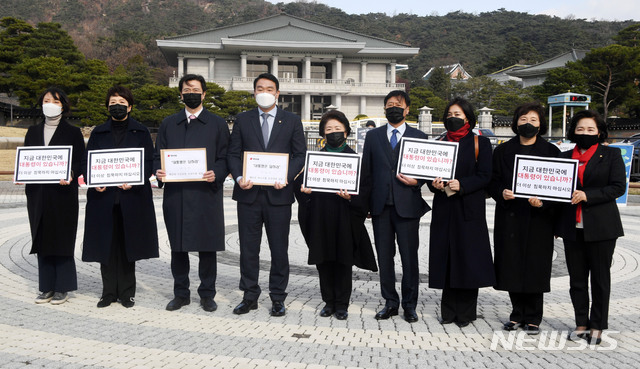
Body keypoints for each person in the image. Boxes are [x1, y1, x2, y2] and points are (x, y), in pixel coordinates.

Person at [227, 72, 306, 316]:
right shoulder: (243, 119)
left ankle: (278, 296)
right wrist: (239, 178)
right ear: (254, 93)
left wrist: (287, 176)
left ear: (277, 93)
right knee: (249, 248)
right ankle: (249, 295)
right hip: (248, 195)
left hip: (279, 196)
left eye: (269, 88)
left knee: (279, 249)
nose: (264, 92)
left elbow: (299, 155)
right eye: (260, 88)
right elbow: (233, 154)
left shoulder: (291, 120)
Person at [154, 74, 230, 313]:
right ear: (181, 95)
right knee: (178, 246)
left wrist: (216, 173)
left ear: (204, 94)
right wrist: (160, 172)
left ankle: (207, 293)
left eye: (196, 89)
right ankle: (181, 293)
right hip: (177, 194)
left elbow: (225, 157)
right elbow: (159, 155)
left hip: (206, 193)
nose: (191, 93)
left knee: (207, 246)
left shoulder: (217, 123)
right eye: (187, 90)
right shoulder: (169, 123)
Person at [294, 110, 377, 320]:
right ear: (322, 134)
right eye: (329, 129)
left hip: (345, 218)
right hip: (320, 217)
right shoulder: (314, 160)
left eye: (337, 129)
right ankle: (328, 302)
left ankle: (342, 304)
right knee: (324, 261)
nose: (333, 133)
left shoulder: (355, 160)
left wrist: (352, 198)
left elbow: (366, 190)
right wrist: (304, 191)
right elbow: (300, 186)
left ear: (346, 132)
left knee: (343, 261)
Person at [82, 85, 158, 308]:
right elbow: (89, 162)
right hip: (103, 198)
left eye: (121, 103)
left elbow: (148, 162)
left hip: (131, 197)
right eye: (113, 103)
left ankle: (126, 292)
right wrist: (95, 181)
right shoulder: (98, 132)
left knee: (128, 245)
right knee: (106, 244)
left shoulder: (141, 131)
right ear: (107, 107)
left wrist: (135, 180)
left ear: (130, 106)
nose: (117, 107)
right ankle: (107, 292)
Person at [488, 103, 560, 334]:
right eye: (523, 119)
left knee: (535, 265)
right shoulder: (502, 151)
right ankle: (516, 313)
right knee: (511, 264)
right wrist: (501, 192)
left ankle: (533, 317)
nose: (527, 123)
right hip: (511, 216)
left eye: (533, 120)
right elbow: (492, 180)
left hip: (539, 218)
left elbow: (560, 188)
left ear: (541, 125)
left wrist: (544, 202)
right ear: (515, 122)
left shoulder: (551, 152)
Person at [556, 110, 625, 345]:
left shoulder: (611, 155)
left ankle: (597, 325)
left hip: (602, 227)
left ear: (599, 132)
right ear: (573, 131)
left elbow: (617, 187)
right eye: (580, 129)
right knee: (576, 280)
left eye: (590, 129)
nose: (585, 133)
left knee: (600, 278)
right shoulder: (564, 158)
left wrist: (588, 195)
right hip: (572, 227)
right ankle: (580, 323)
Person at [361, 90, 430, 323]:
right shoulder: (373, 137)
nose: (393, 108)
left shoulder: (419, 136)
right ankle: (390, 301)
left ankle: (410, 305)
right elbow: (367, 173)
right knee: (385, 257)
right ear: (384, 109)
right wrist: (367, 204)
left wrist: (417, 181)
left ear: (407, 109)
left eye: (398, 104)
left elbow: (426, 172)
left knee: (409, 257)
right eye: (389, 104)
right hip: (381, 207)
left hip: (408, 206)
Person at [428, 97, 495, 328]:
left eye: (457, 114)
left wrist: (462, 184)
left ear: (468, 117)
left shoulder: (480, 143)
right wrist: (434, 184)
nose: (453, 118)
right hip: (445, 208)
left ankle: (466, 312)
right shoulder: (439, 142)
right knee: (446, 257)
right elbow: (430, 176)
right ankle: (448, 311)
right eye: (449, 114)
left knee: (468, 258)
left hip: (469, 209)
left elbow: (486, 175)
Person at [24, 87, 85, 305]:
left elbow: (80, 161)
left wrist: (70, 173)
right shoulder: (32, 132)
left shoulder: (73, 132)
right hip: (38, 193)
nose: (50, 104)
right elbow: (28, 160)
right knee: (42, 236)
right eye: (47, 100)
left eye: (56, 101)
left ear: (63, 106)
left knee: (62, 237)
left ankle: (63, 287)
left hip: (62, 194)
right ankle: (46, 286)